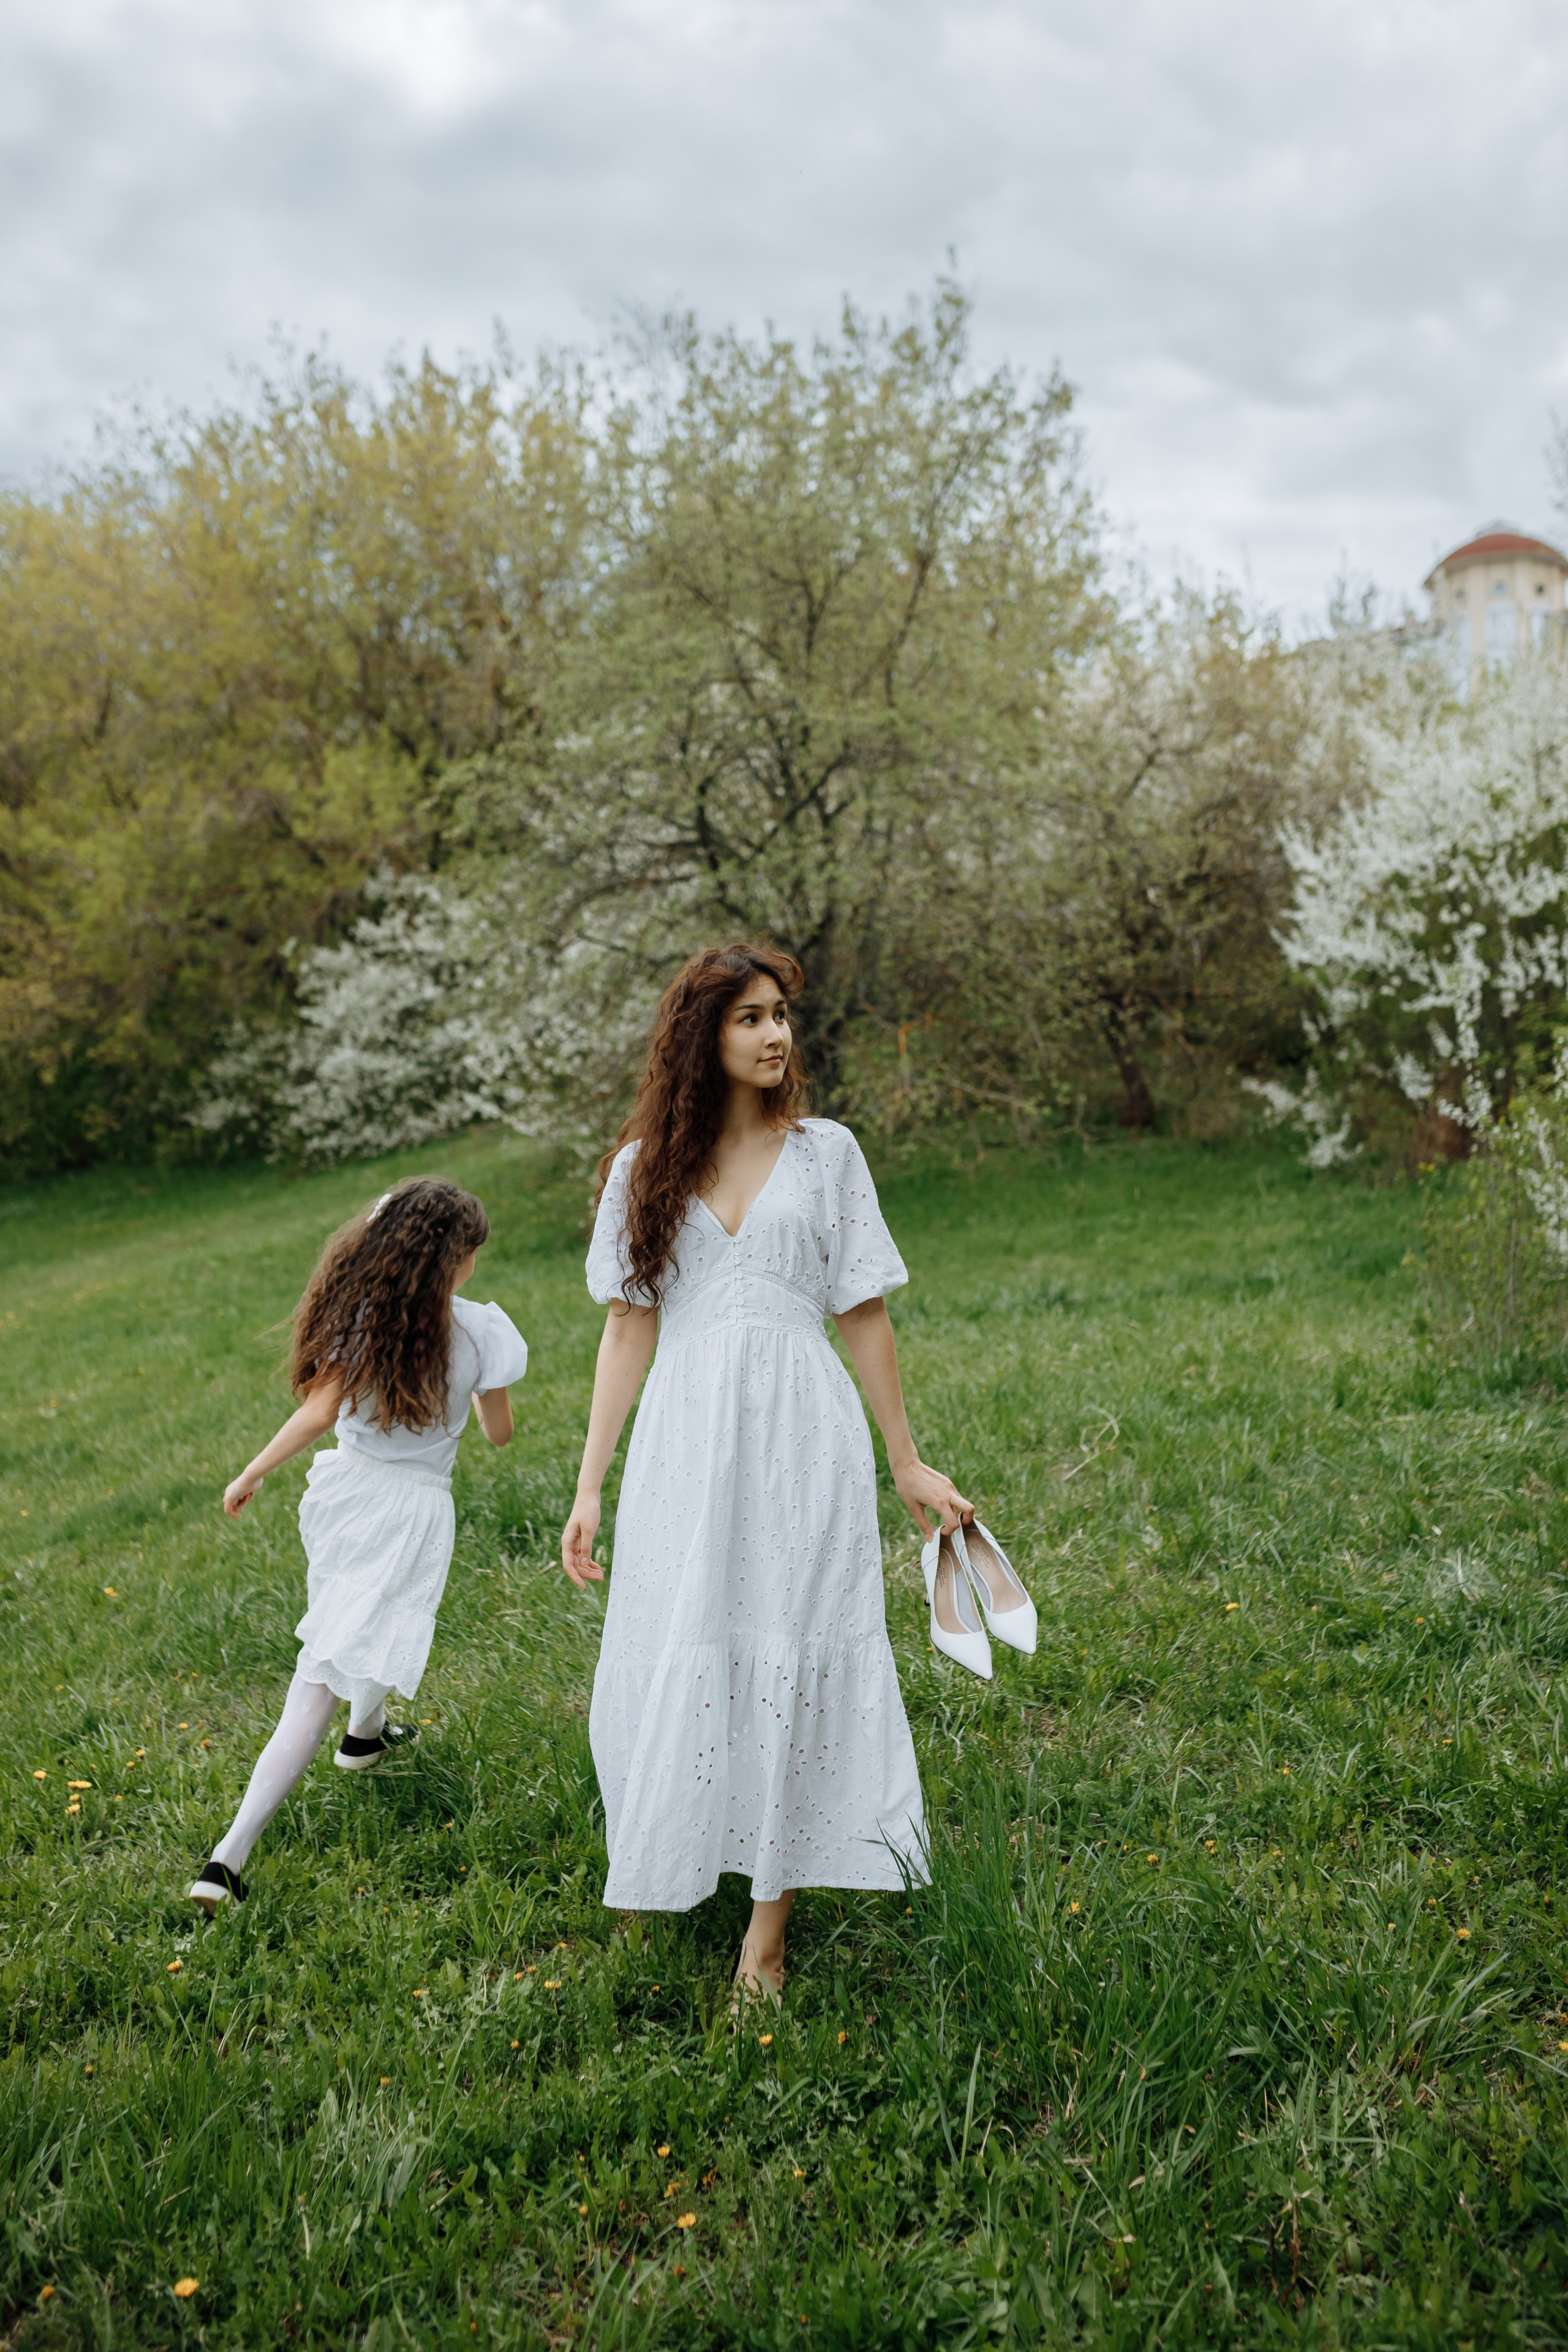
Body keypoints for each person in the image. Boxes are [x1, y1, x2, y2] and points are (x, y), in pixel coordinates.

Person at [560, 941, 972, 2002]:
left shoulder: (830, 1153)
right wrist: (590, 1484)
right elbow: (626, 1330)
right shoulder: (642, 1169)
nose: (776, 1033)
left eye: (782, 1013)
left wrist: (908, 1460)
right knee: (681, 1641)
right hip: (684, 1440)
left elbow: (865, 1312)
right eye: (749, 1016)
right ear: (702, 1034)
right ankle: (669, 1857)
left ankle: (766, 1933)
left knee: (792, 1643)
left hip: (804, 1432)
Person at [189, 1177, 527, 1913]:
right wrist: (474, 1391)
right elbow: (500, 1435)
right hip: (413, 1514)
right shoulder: (483, 1334)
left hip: (342, 1496)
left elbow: (317, 1415)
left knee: (362, 1622)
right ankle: (227, 1857)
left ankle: (364, 1737)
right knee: (325, 1668)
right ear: (458, 1261)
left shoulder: (363, 1320)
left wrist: (251, 1473)